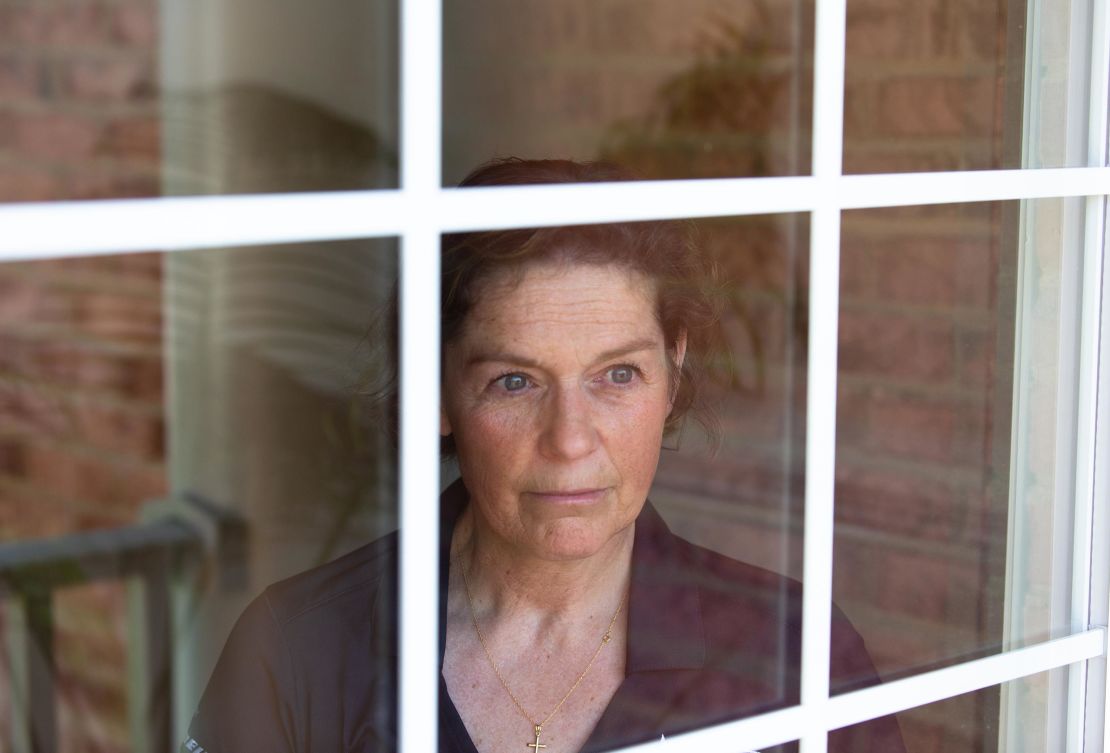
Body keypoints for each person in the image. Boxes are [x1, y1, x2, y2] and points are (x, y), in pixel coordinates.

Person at [181, 158, 905, 753]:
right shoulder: (298, 647)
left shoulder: (797, 655)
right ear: (437, 388)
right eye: (515, 381)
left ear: (673, 369)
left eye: (617, 375)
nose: (570, 438)